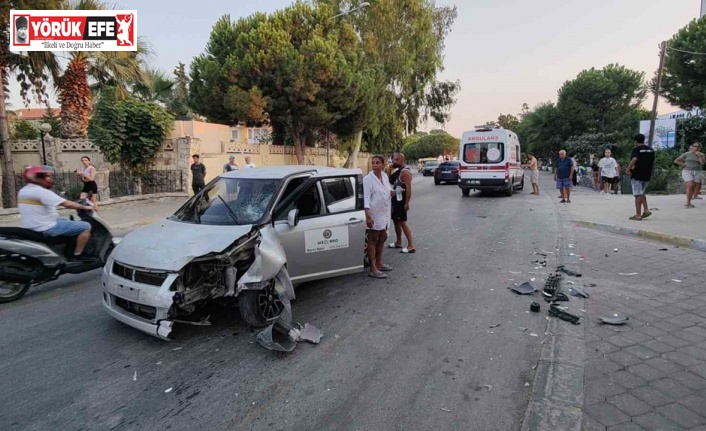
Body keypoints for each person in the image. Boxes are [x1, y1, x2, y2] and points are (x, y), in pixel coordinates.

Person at [18, 166, 95, 262]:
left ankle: (68, 248)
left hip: (32, 226)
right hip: (47, 227)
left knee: (66, 221)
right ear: (38, 178)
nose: (49, 179)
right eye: (46, 177)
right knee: (86, 226)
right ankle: (77, 255)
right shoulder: (41, 192)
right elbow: (67, 204)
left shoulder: (23, 191)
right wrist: (86, 207)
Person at [363, 155, 394, 279]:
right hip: (374, 213)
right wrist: (368, 216)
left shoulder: (385, 177)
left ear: (383, 165)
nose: (375, 165)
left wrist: (397, 191)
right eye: (373, 163)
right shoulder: (368, 179)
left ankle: (379, 262)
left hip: (385, 213)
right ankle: (372, 267)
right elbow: (366, 198)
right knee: (373, 240)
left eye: (377, 163)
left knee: (383, 237)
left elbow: (388, 191)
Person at [388, 152, 416, 253]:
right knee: (396, 221)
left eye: (397, 160)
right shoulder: (398, 171)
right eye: (394, 160)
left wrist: (407, 203)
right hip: (396, 200)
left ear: (403, 161)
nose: (394, 162)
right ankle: (398, 242)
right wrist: (389, 170)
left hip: (401, 201)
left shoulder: (405, 172)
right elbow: (390, 181)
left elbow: (408, 187)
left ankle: (411, 245)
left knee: (402, 222)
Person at [626, 134, 655, 220]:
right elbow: (654, 162)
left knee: (638, 195)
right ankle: (646, 210)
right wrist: (651, 172)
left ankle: (638, 215)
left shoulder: (636, 149)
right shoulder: (651, 150)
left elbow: (634, 159)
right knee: (641, 192)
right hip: (647, 174)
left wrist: (628, 169)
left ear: (635, 141)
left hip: (637, 174)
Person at [674, 141, 705, 208]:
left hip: (697, 171)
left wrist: (699, 156)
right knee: (690, 185)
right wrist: (683, 165)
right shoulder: (687, 154)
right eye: (694, 146)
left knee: (693, 187)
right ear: (692, 147)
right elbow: (676, 160)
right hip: (687, 171)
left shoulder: (702, 154)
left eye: (698, 147)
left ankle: (690, 202)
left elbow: (702, 163)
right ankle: (687, 203)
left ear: (700, 148)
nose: (696, 148)